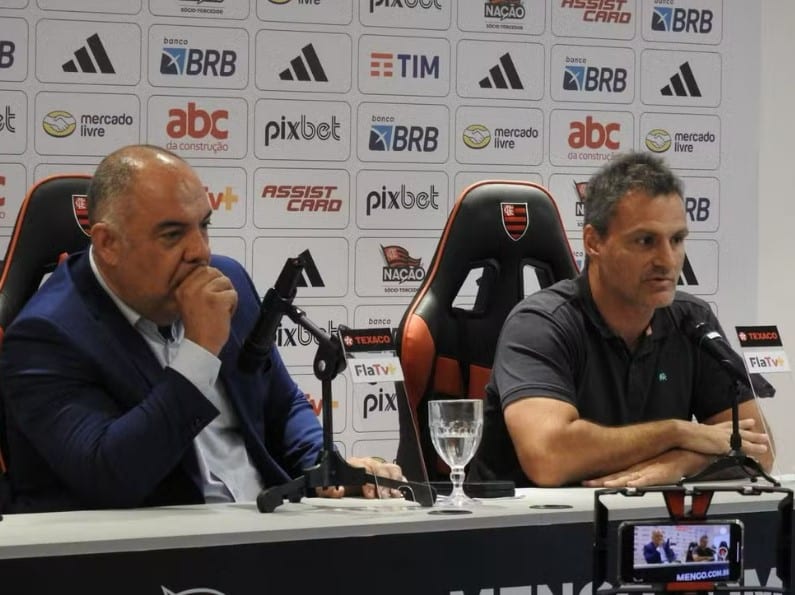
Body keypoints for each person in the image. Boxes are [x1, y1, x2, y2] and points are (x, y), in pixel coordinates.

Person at [0, 144, 402, 512]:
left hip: (267, 528)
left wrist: (325, 466)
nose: (201, 251)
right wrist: (200, 353)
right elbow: (112, 477)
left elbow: (281, 405)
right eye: (173, 234)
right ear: (108, 244)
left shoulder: (228, 281)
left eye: (204, 226)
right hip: (145, 553)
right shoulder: (45, 338)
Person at [468, 151, 774, 488]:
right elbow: (549, 458)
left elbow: (760, 450)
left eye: (676, 240)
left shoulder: (693, 321)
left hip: (638, 527)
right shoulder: (540, 324)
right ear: (593, 242)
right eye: (645, 241)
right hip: (528, 531)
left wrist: (681, 462)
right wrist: (677, 432)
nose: (668, 260)